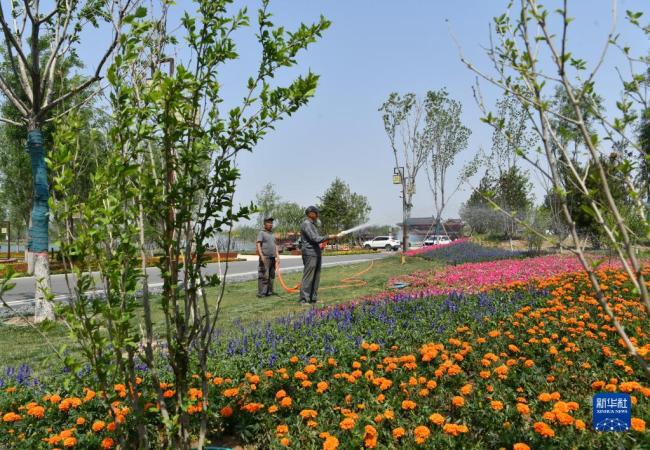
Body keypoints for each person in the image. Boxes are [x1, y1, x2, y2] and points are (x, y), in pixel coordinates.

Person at [299, 206, 338, 304]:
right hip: (310, 253)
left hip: (316, 253)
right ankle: (304, 299)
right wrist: (328, 237)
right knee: (308, 277)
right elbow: (314, 238)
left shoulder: (313, 225)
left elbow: (316, 239)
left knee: (316, 276)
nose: (317, 214)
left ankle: (313, 298)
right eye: (316, 212)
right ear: (310, 213)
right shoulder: (306, 224)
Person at [256, 217, 279, 298]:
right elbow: (258, 244)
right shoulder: (261, 233)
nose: (271, 224)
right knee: (264, 275)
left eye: (271, 223)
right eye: (269, 223)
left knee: (271, 275)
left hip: (273, 257)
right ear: (264, 224)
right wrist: (261, 255)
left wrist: (277, 256)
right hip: (265, 257)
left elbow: (275, 245)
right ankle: (262, 293)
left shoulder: (272, 234)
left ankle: (269, 291)